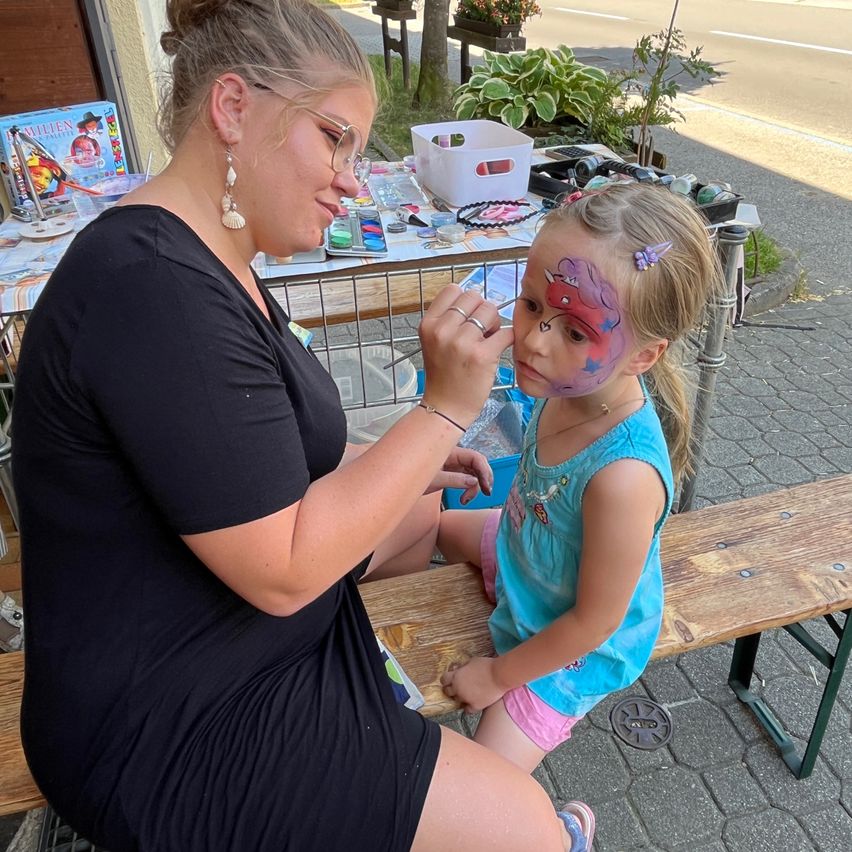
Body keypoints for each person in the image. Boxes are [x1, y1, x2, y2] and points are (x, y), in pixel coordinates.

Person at [12, 0, 591, 849]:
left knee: (421, 512)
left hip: (208, 617)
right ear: (234, 108)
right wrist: (440, 409)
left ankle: (509, 556)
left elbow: (252, 449)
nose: (354, 178)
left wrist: (402, 458)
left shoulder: (213, 259)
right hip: (168, 719)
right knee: (528, 830)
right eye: (333, 137)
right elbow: (284, 570)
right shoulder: (150, 290)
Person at [439, 183, 719, 774]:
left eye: (574, 332)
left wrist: (496, 674)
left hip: (571, 644)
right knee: (423, 525)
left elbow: (595, 621)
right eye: (533, 305)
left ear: (643, 356)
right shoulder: (567, 384)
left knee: (477, 787)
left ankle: (563, 832)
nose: (533, 342)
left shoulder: (623, 478)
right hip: (527, 555)